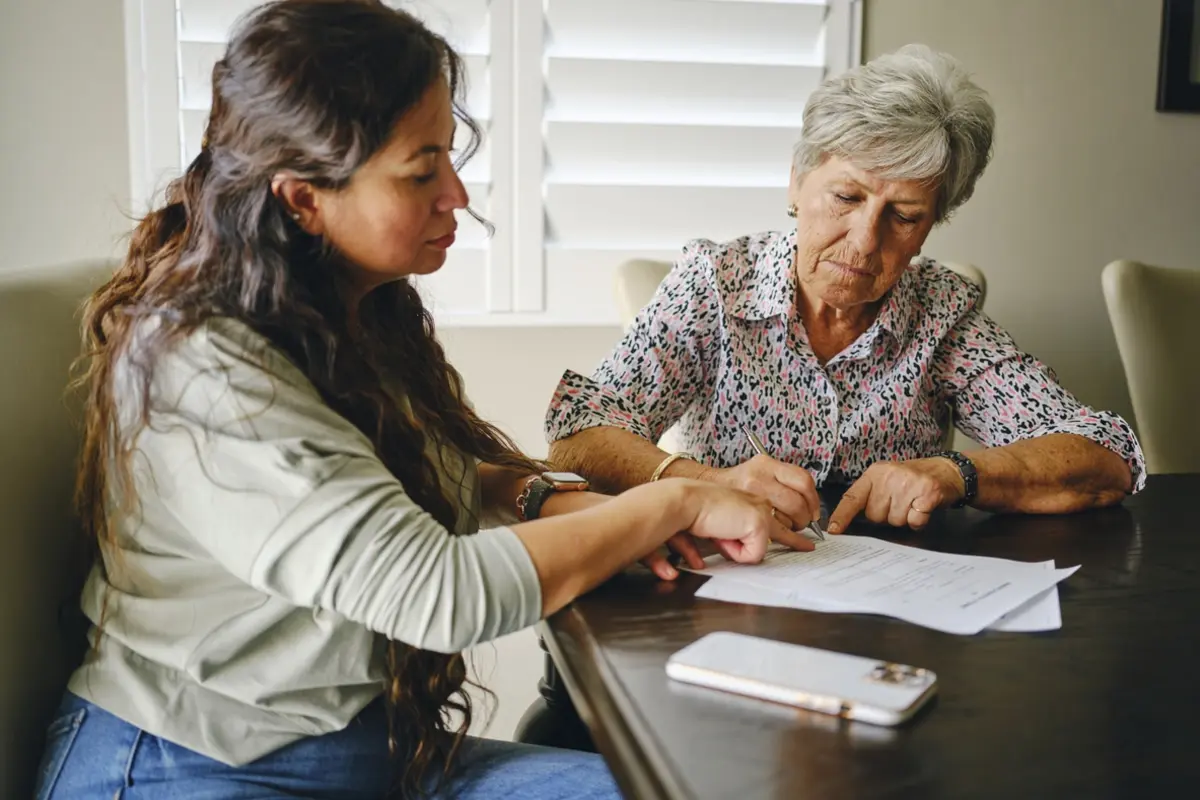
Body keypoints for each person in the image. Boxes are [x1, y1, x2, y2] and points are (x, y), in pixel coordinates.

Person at [33, 2, 810, 798]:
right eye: (420, 169)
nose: (458, 193)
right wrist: (672, 503)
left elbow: (405, 476)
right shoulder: (204, 366)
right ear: (303, 198)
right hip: (193, 766)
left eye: (448, 155)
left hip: (380, 757)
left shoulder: (344, 310)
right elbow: (436, 592)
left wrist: (536, 493)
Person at [544, 44, 1145, 580]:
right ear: (797, 183)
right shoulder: (715, 286)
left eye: (903, 216)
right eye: (846, 197)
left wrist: (955, 471)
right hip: (723, 596)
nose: (863, 241)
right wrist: (709, 483)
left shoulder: (943, 316)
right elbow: (578, 434)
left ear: (930, 227)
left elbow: (1104, 456)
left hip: (890, 609)